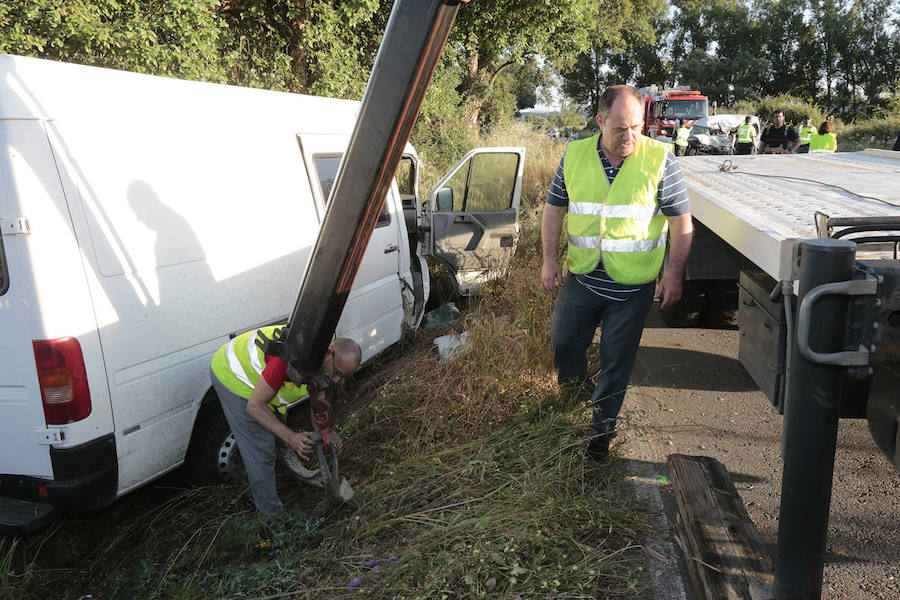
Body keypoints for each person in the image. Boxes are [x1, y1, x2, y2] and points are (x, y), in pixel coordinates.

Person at [541, 85, 694, 462]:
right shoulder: (575, 154)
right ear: (600, 121)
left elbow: (681, 223)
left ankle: (599, 437)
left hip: (632, 288)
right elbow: (553, 209)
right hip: (583, 277)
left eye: (636, 128)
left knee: (616, 363)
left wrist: (674, 274)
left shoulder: (660, 159)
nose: (629, 137)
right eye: (620, 129)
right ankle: (576, 400)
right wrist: (549, 260)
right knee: (564, 345)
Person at [209, 326, 362, 515]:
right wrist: (292, 437)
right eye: (337, 372)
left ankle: (270, 483)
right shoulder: (290, 358)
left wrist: (326, 432)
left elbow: (319, 407)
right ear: (329, 352)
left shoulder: (323, 363)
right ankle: (272, 518)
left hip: (264, 385)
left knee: (276, 433)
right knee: (261, 449)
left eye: (342, 377)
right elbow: (255, 406)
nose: (336, 380)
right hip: (233, 374)